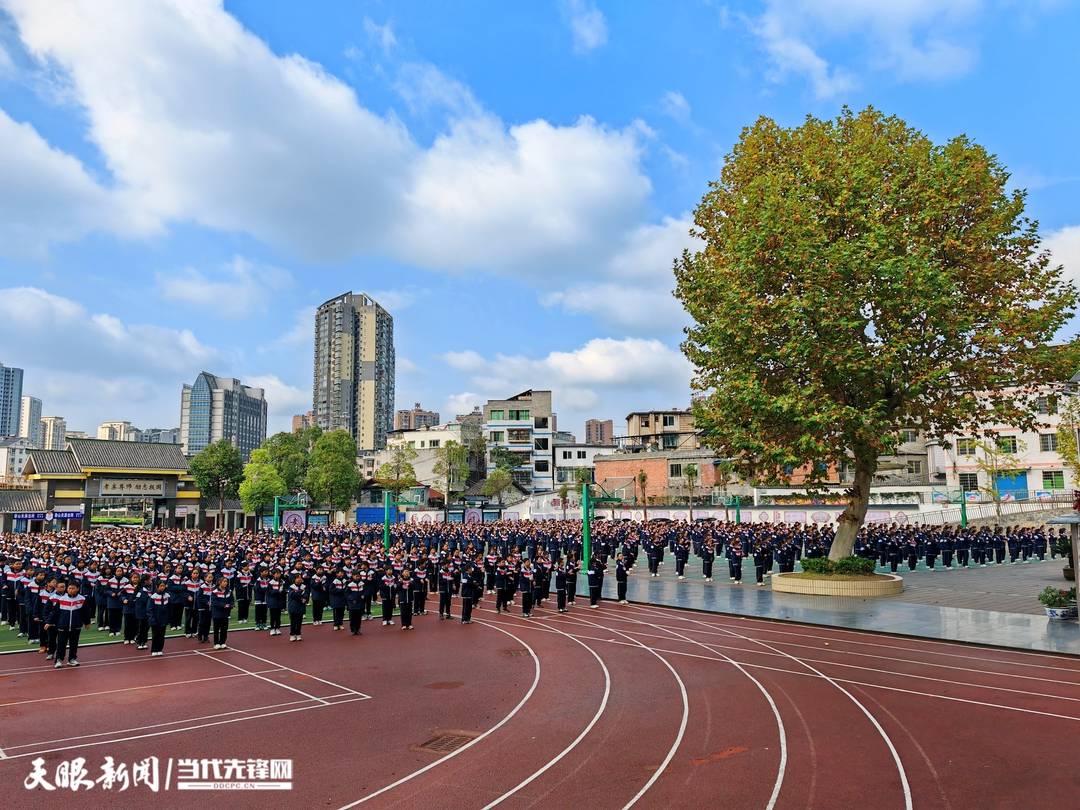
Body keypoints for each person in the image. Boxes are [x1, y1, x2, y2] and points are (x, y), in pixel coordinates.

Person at [54, 581, 85, 668]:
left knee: (74, 644)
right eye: (69, 588)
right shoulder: (61, 599)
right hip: (63, 626)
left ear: (78, 589)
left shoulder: (82, 599)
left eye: (73, 588)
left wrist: (86, 622)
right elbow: (56, 613)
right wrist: (50, 622)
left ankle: (72, 659)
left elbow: (85, 612)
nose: (71, 590)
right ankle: (58, 660)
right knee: (61, 644)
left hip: (76, 626)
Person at [210, 576, 234, 649]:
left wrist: (231, 605)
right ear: (220, 582)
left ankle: (223, 642)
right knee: (216, 629)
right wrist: (223, 605)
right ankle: (216, 643)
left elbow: (232, 600)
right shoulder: (214, 591)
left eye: (226, 581)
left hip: (225, 613)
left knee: (224, 628)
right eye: (224, 581)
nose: (226, 583)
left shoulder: (229, 591)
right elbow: (214, 602)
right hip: (217, 613)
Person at [149, 580, 170, 657]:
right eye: (161, 586)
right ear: (157, 587)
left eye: (163, 586)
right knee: (155, 635)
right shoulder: (153, 597)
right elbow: (150, 609)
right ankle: (154, 649)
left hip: (163, 620)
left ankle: (160, 649)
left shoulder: (167, 596)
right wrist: (152, 619)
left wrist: (168, 618)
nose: (162, 587)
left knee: (162, 635)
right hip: (155, 620)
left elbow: (169, 608)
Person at [287, 574, 308, 642]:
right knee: (293, 622)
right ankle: (292, 635)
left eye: (300, 578)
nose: (299, 579)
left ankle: (298, 634)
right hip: (293, 607)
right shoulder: (291, 587)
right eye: (297, 578)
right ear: (294, 579)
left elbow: (306, 594)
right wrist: (300, 592)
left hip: (301, 606)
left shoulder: (303, 586)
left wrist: (304, 597)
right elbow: (292, 595)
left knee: (299, 622)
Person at [266, 570, 285, 636]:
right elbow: (270, 592)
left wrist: (282, 591)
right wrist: (278, 591)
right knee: (273, 616)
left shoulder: (282, 582)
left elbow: (283, 591)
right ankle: (272, 628)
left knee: (278, 616)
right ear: (273, 575)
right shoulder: (270, 582)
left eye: (279, 574)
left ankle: (277, 628)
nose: (278, 575)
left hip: (279, 601)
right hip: (272, 601)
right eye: (276, 573)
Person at [346, 570, 364, 636]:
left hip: (360, 603)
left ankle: (358, 629)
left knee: (359, 618)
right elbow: (347, 594)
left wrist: (363, 595)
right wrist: (352, 599)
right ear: (353, 576)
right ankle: (353, 630)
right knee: (352, 618)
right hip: (352, 604)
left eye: (358, 576)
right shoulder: (349, 584)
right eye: (356, 576)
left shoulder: (362, 583)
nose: (357, 577)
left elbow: (364, 591)